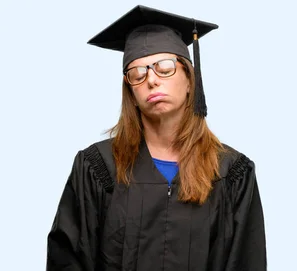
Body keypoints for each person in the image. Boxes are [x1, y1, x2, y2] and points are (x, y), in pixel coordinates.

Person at [46, 5, 267, 271]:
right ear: (131, 94)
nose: (151, 80)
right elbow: (68, 261)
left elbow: (246, 262)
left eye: (165, 68)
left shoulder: (231, 174)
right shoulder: (98, 168)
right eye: (137, 73)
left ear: (189, 80)